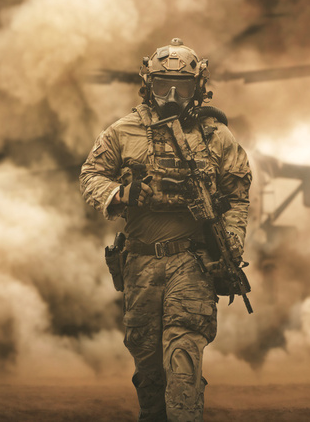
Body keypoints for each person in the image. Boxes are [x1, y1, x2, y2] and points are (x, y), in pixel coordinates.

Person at [80, 38, 251, 422]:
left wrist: (230, 245)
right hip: (140, 263)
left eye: (182, 88)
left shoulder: (217, 138)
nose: (171, 96)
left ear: (199, 88)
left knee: (183, 358)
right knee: (148, 367)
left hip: (191, 263)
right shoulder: (122, 132)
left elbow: (237, 197)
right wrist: (121, 194)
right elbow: (91, 175)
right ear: (147, 84)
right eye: (161, 86)